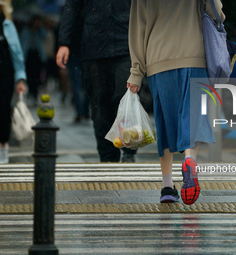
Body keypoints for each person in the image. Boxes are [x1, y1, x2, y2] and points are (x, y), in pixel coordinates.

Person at [127, 0, 225, 204]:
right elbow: (216, 12)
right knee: (194, 116)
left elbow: (138, 27)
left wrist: (136, 72)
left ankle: (167, 186)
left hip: (159, 58)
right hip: (194, 55)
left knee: (165, 122)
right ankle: (190, 159)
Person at [56, 0, 137, 163]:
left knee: (124, 97)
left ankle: (129, 148)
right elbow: (71, 7)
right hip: (94, 48)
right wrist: (64, 43)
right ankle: (107, 156)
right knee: (99, 106)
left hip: (126, 46)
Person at [0, 0, 27, 164]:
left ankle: (3, 147)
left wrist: (20, 78)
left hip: (5, 77)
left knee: (3, 111)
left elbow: (17, 54)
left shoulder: (7, 24)